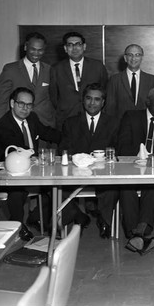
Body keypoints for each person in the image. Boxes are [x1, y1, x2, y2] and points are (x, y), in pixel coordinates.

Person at [0, 87, 61, 240]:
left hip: (30, 171)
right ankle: (18, 226)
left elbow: (47, 132)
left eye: (29, 105)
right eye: (21, 104)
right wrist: (37, 157)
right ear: (12, 103)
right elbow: (18, 150)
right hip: (6, 174)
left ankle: (39, 218)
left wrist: (69, 137)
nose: (25, 108)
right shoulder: (3, 125)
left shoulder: (32, 118)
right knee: (18, 190)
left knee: (55, 184)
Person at [117, 87, 154, 255]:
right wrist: (139, 158)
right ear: (148, 102)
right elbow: (122, 146)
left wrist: (151, 162)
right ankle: (138, 234)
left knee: (153, 185)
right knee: (126, 187)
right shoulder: (131, 117)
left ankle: (138, 233)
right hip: (130, 168)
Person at [60, 83, 120, 239]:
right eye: (88, 98)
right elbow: (65, 151)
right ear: (83, 100)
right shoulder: (70, 123)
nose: (92, 103)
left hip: (103, 173)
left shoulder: (113, 122)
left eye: (97, 99)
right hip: (77, 173)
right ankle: (77, 215)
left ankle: (105, 221)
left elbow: (118, 151)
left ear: (103, 102)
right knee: (57, 189)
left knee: (112, 188)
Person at [0, 32, 55, 128]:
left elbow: (53, 100)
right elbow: (0, 103)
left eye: (40, 50)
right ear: (26, 47)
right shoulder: (10, 69)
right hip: (18, 125)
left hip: (44, 125)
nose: (36, 54)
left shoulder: (49, 70)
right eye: (33, 49)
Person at [50, 32, 108, 129]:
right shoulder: (56, 69)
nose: (75, 48)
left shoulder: (97, 66)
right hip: (66, 119)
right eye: (70, 45)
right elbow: (53, 97)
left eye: (78, 44)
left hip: (92, 118)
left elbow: (104, 92)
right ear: (65, 48)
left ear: (84, 46)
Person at [105, 44, 154, 120]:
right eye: (130, 55)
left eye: (137, 55)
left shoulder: (151, 80)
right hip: (121, 127)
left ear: (142, 58)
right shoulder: (114, 80)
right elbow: (110, 108)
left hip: (144, 126)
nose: (133, 58)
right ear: (125, 58)